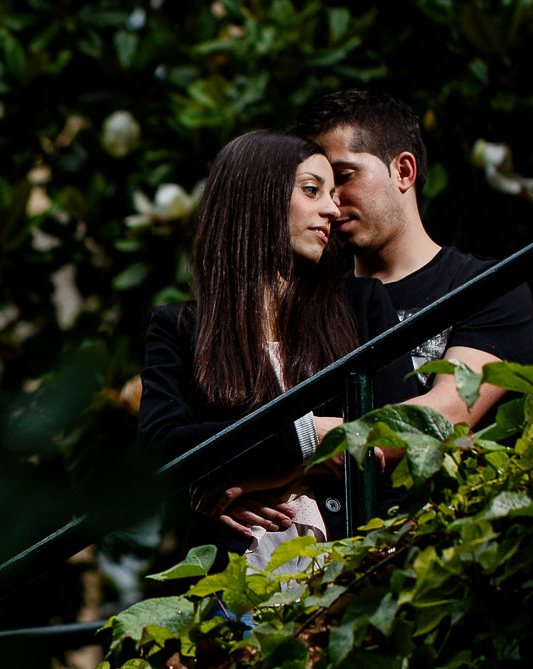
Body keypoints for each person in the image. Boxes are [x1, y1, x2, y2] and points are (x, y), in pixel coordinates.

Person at [138, 131, 417, 570]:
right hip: (231, 591)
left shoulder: (362, 306)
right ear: (256, 197)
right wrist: (312, 437)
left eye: (333, 193)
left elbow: (403, 433)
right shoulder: (181, 327)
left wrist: (261, 471)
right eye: (312, 190)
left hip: (354, 576)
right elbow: (162, 452)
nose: (332, 208)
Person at [294, 87, 533, 432]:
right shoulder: (311, 303)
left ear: (404, 171)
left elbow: (446, 416)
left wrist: (301, 449)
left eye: (344, 177)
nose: (331, 204)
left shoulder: (487, 289)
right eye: (315, 187)